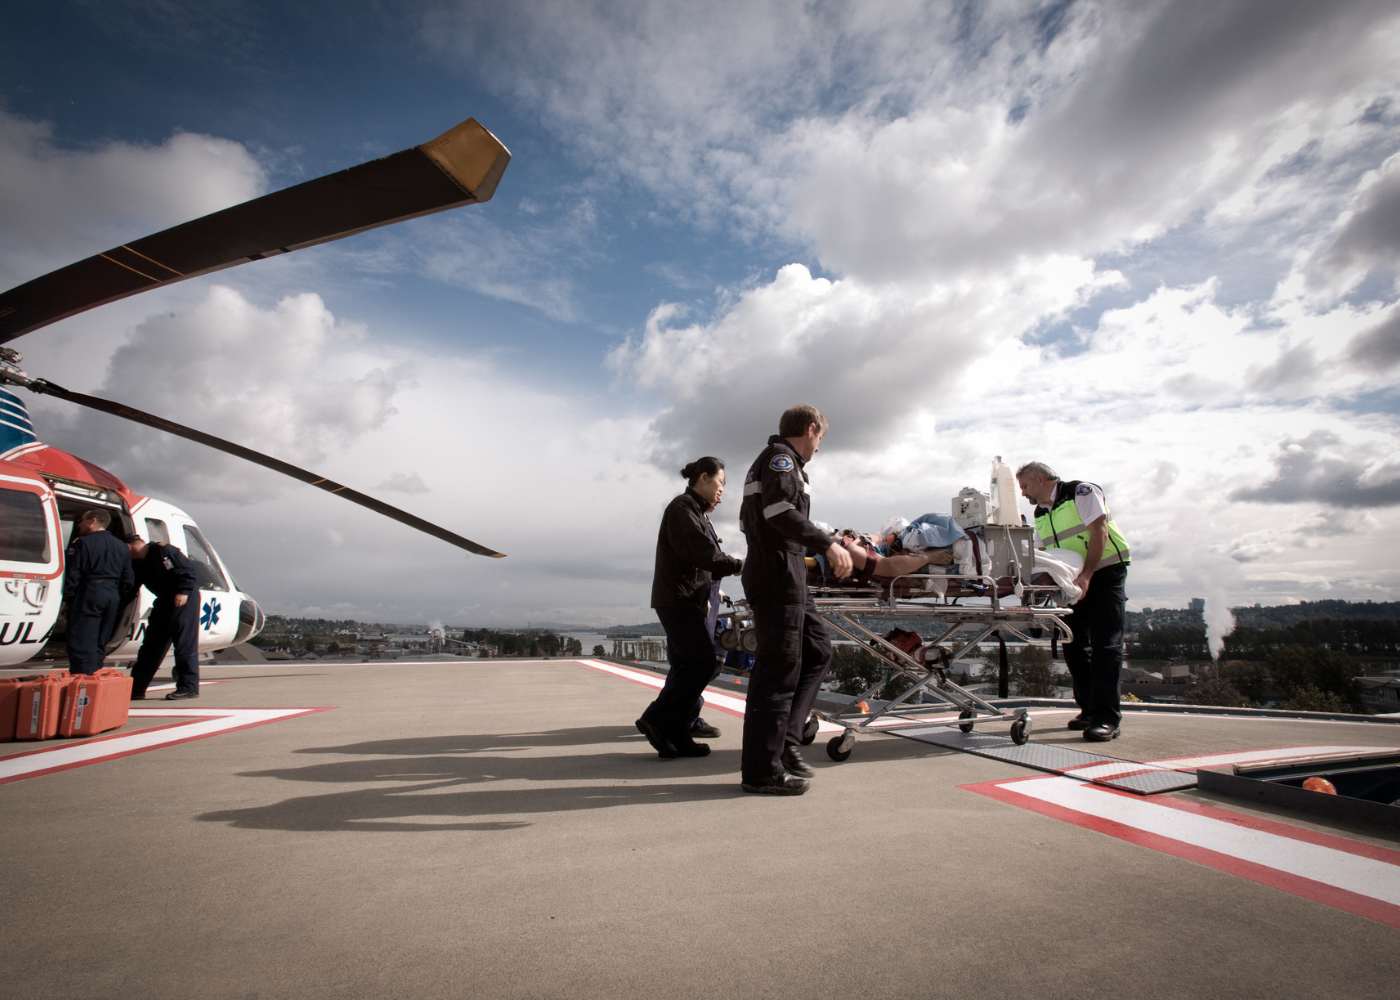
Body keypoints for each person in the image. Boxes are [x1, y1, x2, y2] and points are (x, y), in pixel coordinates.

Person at [738, 404, 852, 795]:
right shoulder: (781, 460)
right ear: (810, 429)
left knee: (817, 650)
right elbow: (778, 511)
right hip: (776, 569)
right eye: (820, 438)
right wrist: (828, 544)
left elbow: (750, 518)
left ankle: (786, 737)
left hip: (786, 568)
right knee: (778, 668)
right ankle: (761, 771)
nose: (819, 447)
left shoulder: (774, 464)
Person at [637, 457, 744, 758]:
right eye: (720, 483)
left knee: (690, 665)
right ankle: (656, 719)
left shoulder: (695, 511)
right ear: (705, 478)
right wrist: (742, 565)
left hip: (685, 598)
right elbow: (703, 553)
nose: (722, 490)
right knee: (701, 664)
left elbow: (701, 558)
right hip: (678, 599)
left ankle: (677, 735)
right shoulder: (682, 509)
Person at [1016, 461, 1131, 742]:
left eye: (1025, 486)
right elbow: (1046, 553)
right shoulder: (1041, 512)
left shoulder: (1081, 493)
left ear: (1040, 479)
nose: (1023, 493)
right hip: (1072, 581)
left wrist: (1088, 575)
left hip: (1104, 573)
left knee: (1106, 644)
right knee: (1073, 644)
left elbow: (1099, 532)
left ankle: (1107, 718)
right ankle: (1089, 710)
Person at [125, 533, 201, 700]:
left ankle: (188, 687)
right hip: (164, 600)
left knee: (183, 643)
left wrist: (183, 591)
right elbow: (132, 586)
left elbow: (186, 571)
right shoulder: (138, 563)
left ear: (128, 547)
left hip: (182, 599)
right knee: (151, 646)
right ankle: (136, 688)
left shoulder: (163, 551)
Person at [62, 509, 135, 675]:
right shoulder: (121, 546)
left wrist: (68, 599)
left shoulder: (83, 543)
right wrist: (117, 597)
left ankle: (82, 681)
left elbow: (74, 574)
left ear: (92, 521)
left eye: (82, 520)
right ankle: (95, 675)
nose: (79, 524)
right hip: (111, 594)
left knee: (81, 640)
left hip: (90, 592)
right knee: (99, 641)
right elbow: (128, 578)